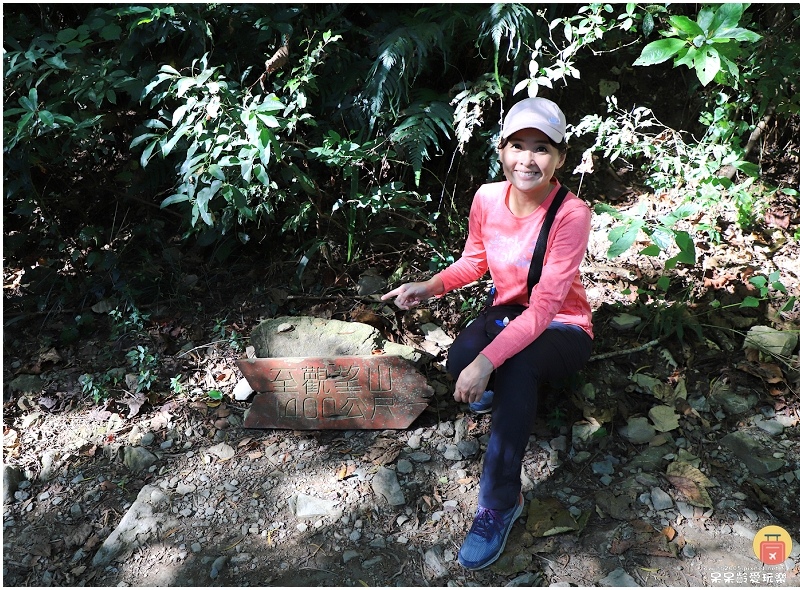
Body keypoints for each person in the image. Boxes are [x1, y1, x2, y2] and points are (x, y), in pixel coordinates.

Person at [381, 97, 593, 570]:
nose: (528, 159)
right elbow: (475, 261)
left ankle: (499, 502)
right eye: (518, 146)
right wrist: (430, 286)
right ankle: (501, 390)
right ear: (501, 151)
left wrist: (489, 362)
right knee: (460, 361)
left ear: (560, 158)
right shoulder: (485, 198)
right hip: (506, 310)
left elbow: (542, 310)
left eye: (542, 148)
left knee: (514, 366)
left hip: (561, 324)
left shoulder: (571, 214)